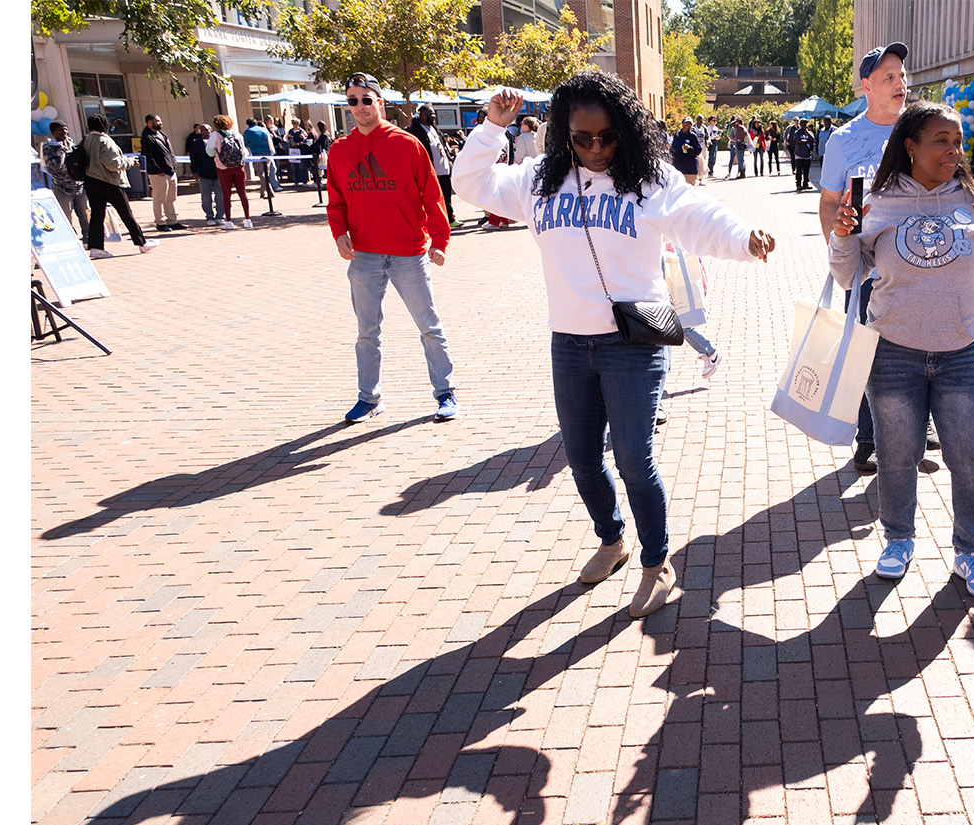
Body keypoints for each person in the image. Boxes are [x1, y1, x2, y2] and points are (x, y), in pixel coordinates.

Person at [450, 73, 776, 618]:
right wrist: (491, 128)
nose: (596, 148)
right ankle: (612, 539)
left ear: (624, 131)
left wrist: (744, 238)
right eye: (582, 138)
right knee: (580, 457)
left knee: (632, 456)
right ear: (563, 135)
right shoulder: (539, 179)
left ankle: (656, 562)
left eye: (607, 136)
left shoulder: (648, 180)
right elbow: (471, 184)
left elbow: (698, 216)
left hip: (634, 343)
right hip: (570, 343)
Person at [830, 102, 974, 598]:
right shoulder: (881, 200)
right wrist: (843, 236)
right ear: (910, 146)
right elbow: (848, 273)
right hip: (893, 353)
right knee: (896, 455)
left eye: (958, 142)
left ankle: (972, 551)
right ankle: (898, 540)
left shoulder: (973, 200)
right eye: (941, 141)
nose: (954, 151)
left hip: (962, 353)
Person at [325, 72, 458, 426]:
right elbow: (335, 202)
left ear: (379, 103)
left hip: (408, 254)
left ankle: (445, 393)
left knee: (429, 326)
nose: (359, 107)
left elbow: (433, 196)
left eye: (366, 99)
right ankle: (369, 399)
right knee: (366, 333)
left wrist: (440, 241)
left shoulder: (407, 144)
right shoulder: (339, 151)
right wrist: (339, 235)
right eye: (352, 101)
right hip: (364, 256)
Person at [819, 41, 924, 474]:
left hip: (920, 267)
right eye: (889, 77)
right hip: (866, 269)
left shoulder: (919, 129)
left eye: (902, 75)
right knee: (866, 353)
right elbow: (828, 204)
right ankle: (867, 439)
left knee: (921, 348)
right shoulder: (844, 141)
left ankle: (918, 431)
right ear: (867, 86)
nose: (900, 83)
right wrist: (841, 256)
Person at [78, 114, 158, 259]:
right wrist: (129, 161)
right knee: (125, 212)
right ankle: (142, 243)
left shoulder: (85, 139)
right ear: (104, 124)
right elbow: (113, 164)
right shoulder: (105, 141)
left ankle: (96, 247)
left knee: (97, 215)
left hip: (90, 181)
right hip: (109, 182)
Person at [408, 105, 459, 225]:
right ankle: (437, 220)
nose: (434, 116)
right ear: (423, 114)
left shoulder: (434, 128)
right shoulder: (416, 130)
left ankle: (450, 218)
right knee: (433, 197)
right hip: (431, 170)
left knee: (446, 195)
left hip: (443, 168)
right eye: (431, 114)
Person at [41, 120, 89, 238]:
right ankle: (71, 238)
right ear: (54, 132)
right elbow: (55, 166)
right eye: (61, 130)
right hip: (62, 188)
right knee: (66, 216)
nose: (65, 132)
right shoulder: (48, 148)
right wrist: (61, 149)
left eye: (66, 129)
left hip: (79, 187)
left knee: (85, 215)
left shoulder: (71, 144)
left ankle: (89, 238)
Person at [139, 114, 184, 231]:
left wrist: (173, 166)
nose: (160, 122)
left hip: (170, 171)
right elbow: (148, 156)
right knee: (159, 198)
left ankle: (172, 221)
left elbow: (169, 152)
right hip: (158, 174)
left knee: (170, 198)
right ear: (149, 123)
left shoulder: (162, 134)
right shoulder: (147, 137)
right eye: (157, 121)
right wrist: (158, 170)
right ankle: (160, 222)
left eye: (160, 120)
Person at [208, 116, 253, 230]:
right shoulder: (237, 135)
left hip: (223, 168)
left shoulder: (215, 135)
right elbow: (244, 152)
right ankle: (247, 219)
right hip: (238, 167)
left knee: (226, 194)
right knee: (242, 193)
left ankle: (228, 221)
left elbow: (210, 151)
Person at [185, 123, 221, 225]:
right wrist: (195, 171)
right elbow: (193, 158)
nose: (204, 132)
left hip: (218, 172)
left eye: (206, 130)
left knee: (220, 196)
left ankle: (220, 215)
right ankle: (209, 216)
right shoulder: (196, 143)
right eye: (202, 130)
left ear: (211, 130)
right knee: (206, 197)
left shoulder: (216, 141)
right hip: (204, 174)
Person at [242, 118, 277, 201]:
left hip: (256, 153)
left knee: (261, 173)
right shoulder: (264, 130)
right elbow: (270, 141)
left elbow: (245, 143)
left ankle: (269, 190)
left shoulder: (248, 132)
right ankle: (263, 191)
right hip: (268, 153)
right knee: (266, 172)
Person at [669, 116, 702, 185]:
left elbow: (698, 150)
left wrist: (689, 148)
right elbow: (673, 149)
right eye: (685, 123)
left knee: (690, 190)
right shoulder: (677, 135)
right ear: (682, 124)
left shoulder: (693, 136)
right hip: (678, 168)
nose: (687, 125)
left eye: (689, 124)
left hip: (690, 169)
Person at [788, 118, 816, 191]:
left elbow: (812, 141)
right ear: (800, 124)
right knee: (799, 171)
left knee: (806, 170)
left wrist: (807, 134)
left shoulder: (809, 133)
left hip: (807, 155)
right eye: (803, 124)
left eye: (805, 124)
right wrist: (805, 142)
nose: (804, 125)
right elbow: (796, 141)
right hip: (799, 154)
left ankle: (805, 183)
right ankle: (798, 184)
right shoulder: (797, 132)